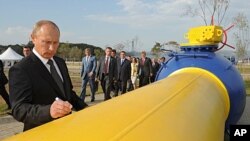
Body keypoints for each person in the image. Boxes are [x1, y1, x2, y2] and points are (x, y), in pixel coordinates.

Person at [9, 20, 87, 131]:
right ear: (33, 38)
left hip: (67, 129)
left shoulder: (60, 62)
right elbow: (19, 109)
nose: (52, 48)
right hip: (41, 133)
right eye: (46, 42)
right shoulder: (21, 69)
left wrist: (86, 108)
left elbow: (69, 94)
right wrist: (49, 111)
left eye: (55, 43)